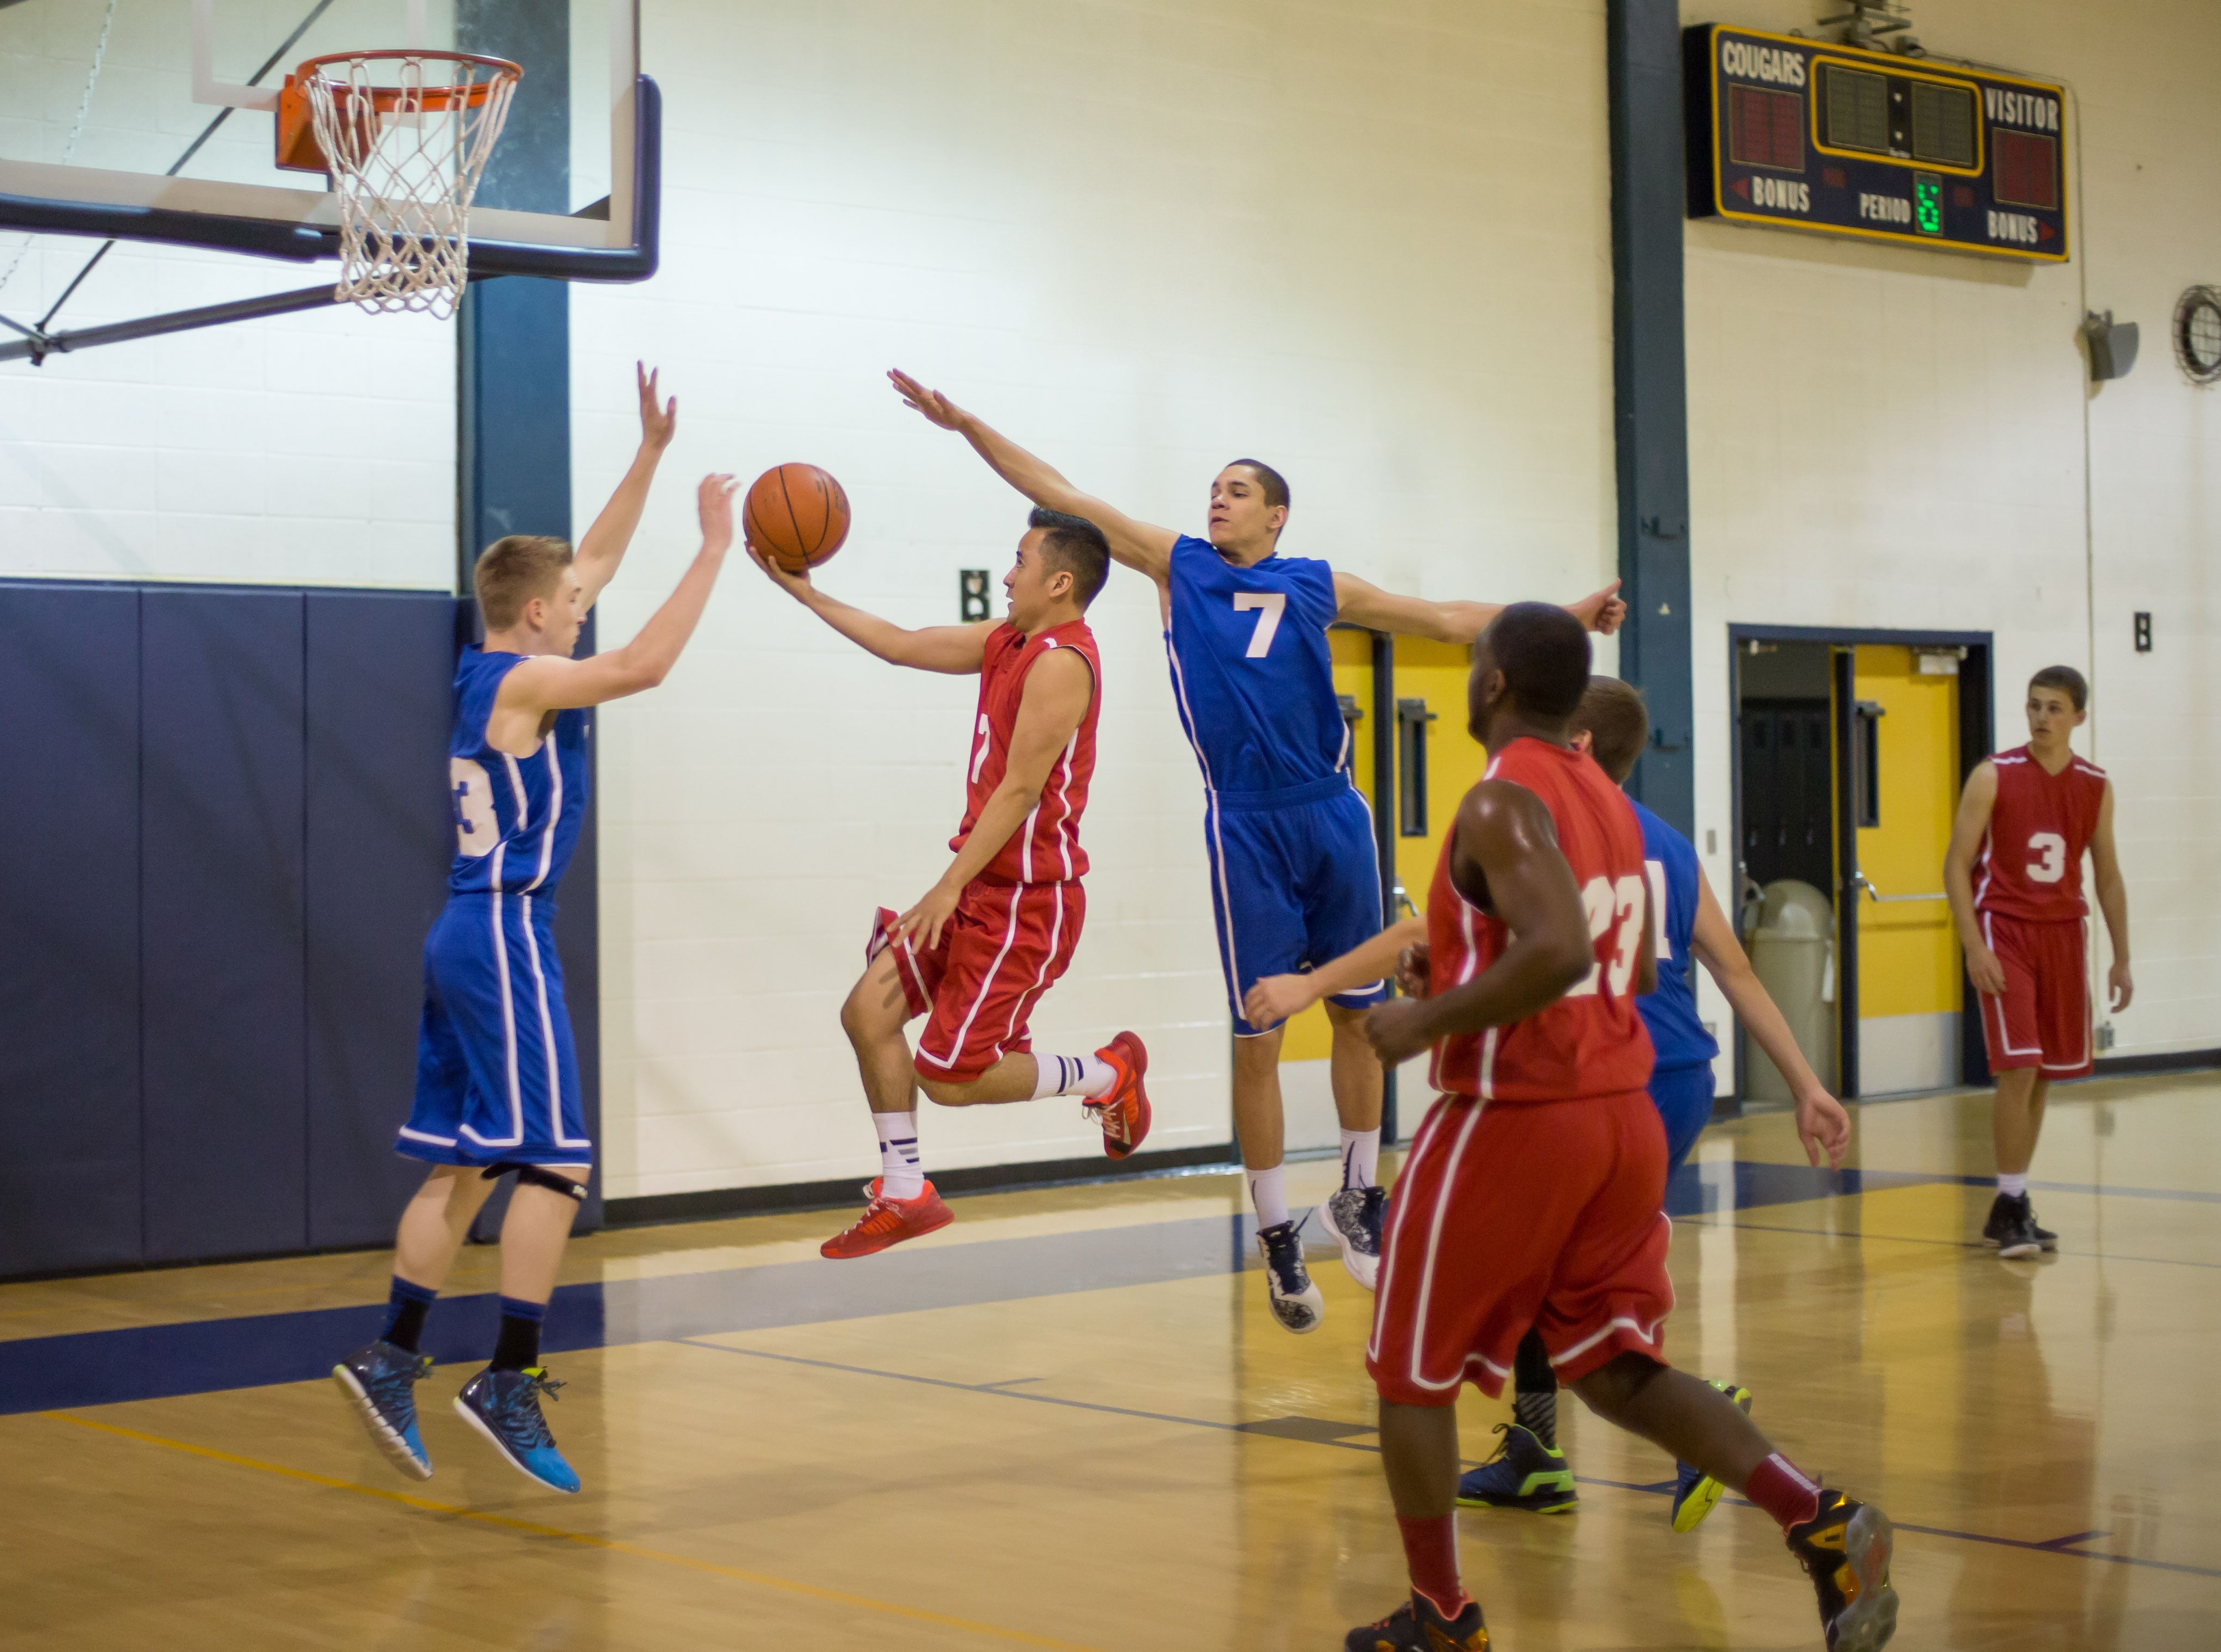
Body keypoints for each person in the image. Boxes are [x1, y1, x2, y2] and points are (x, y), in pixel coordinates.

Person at [888, 367, 1624, 1332]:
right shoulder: (1178, 562)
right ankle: (1277, 1231)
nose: (1217, 498)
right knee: (1259, 1031)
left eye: (1238, 490)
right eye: (1214, 487)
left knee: (1359, 1016)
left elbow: (1448, 619)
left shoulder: (1318, 583)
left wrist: (1569, 615)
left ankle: (1361, 1191)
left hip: (1331, 810)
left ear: (1276, 516)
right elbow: (1064, 495)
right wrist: (965, 422)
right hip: (1243, 818)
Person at [1277, 605, 1895, 1652]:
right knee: (1611, 1365)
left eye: (1476, 662)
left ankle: (1442, 1616)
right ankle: (1819, 1519)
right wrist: (1461, 969)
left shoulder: (1504, 795)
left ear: (1495, 682)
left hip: (1519, 1114)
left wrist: (1423, 1017)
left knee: (1407, 1367)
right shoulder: (1611, 806)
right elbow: (1610, 953)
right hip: (1625, 1112)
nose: (1471, 673)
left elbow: (1561, 946)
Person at [333, 367, 735, 1495]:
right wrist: (711, 550)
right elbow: (645, 663)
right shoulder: (531, 679)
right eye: (572, 598)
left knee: (466, 1165)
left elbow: (588, 560)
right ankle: (506, 1373)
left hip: (466, 926)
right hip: (505, 929)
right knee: (555, 1158)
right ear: (537, 614)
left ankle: (390, 1355)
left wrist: (650, 454)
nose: (587, 598)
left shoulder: (486, 658)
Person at [750, 507, 1153, 1259]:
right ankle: (905, 1192)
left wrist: (943, 888)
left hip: (1026, 901)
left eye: (1021, 561)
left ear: (1059, 581)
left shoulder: (1063, 661)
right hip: (975, 886)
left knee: (951, 1076)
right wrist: (806, 594)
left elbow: (1021, 791)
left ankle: (1108, 1072)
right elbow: (901, 647)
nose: (1008, 574)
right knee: (867, 1014)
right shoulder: (1008, 641)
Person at [1943, 665, 2131, 1259]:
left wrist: (2121, 958)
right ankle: (2009, 1197)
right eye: (2033, 707)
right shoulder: (1992, 774)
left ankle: (2012, 1203)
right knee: (2018, 1065)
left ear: (2078, 716)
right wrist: (1973, 944)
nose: (2041, 718)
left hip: (2063, 934)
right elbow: (1955, 863)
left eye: (2053, 708)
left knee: (2044, 1071)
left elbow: (2106, 875)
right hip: (2005, 929)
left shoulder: (2094, 785)